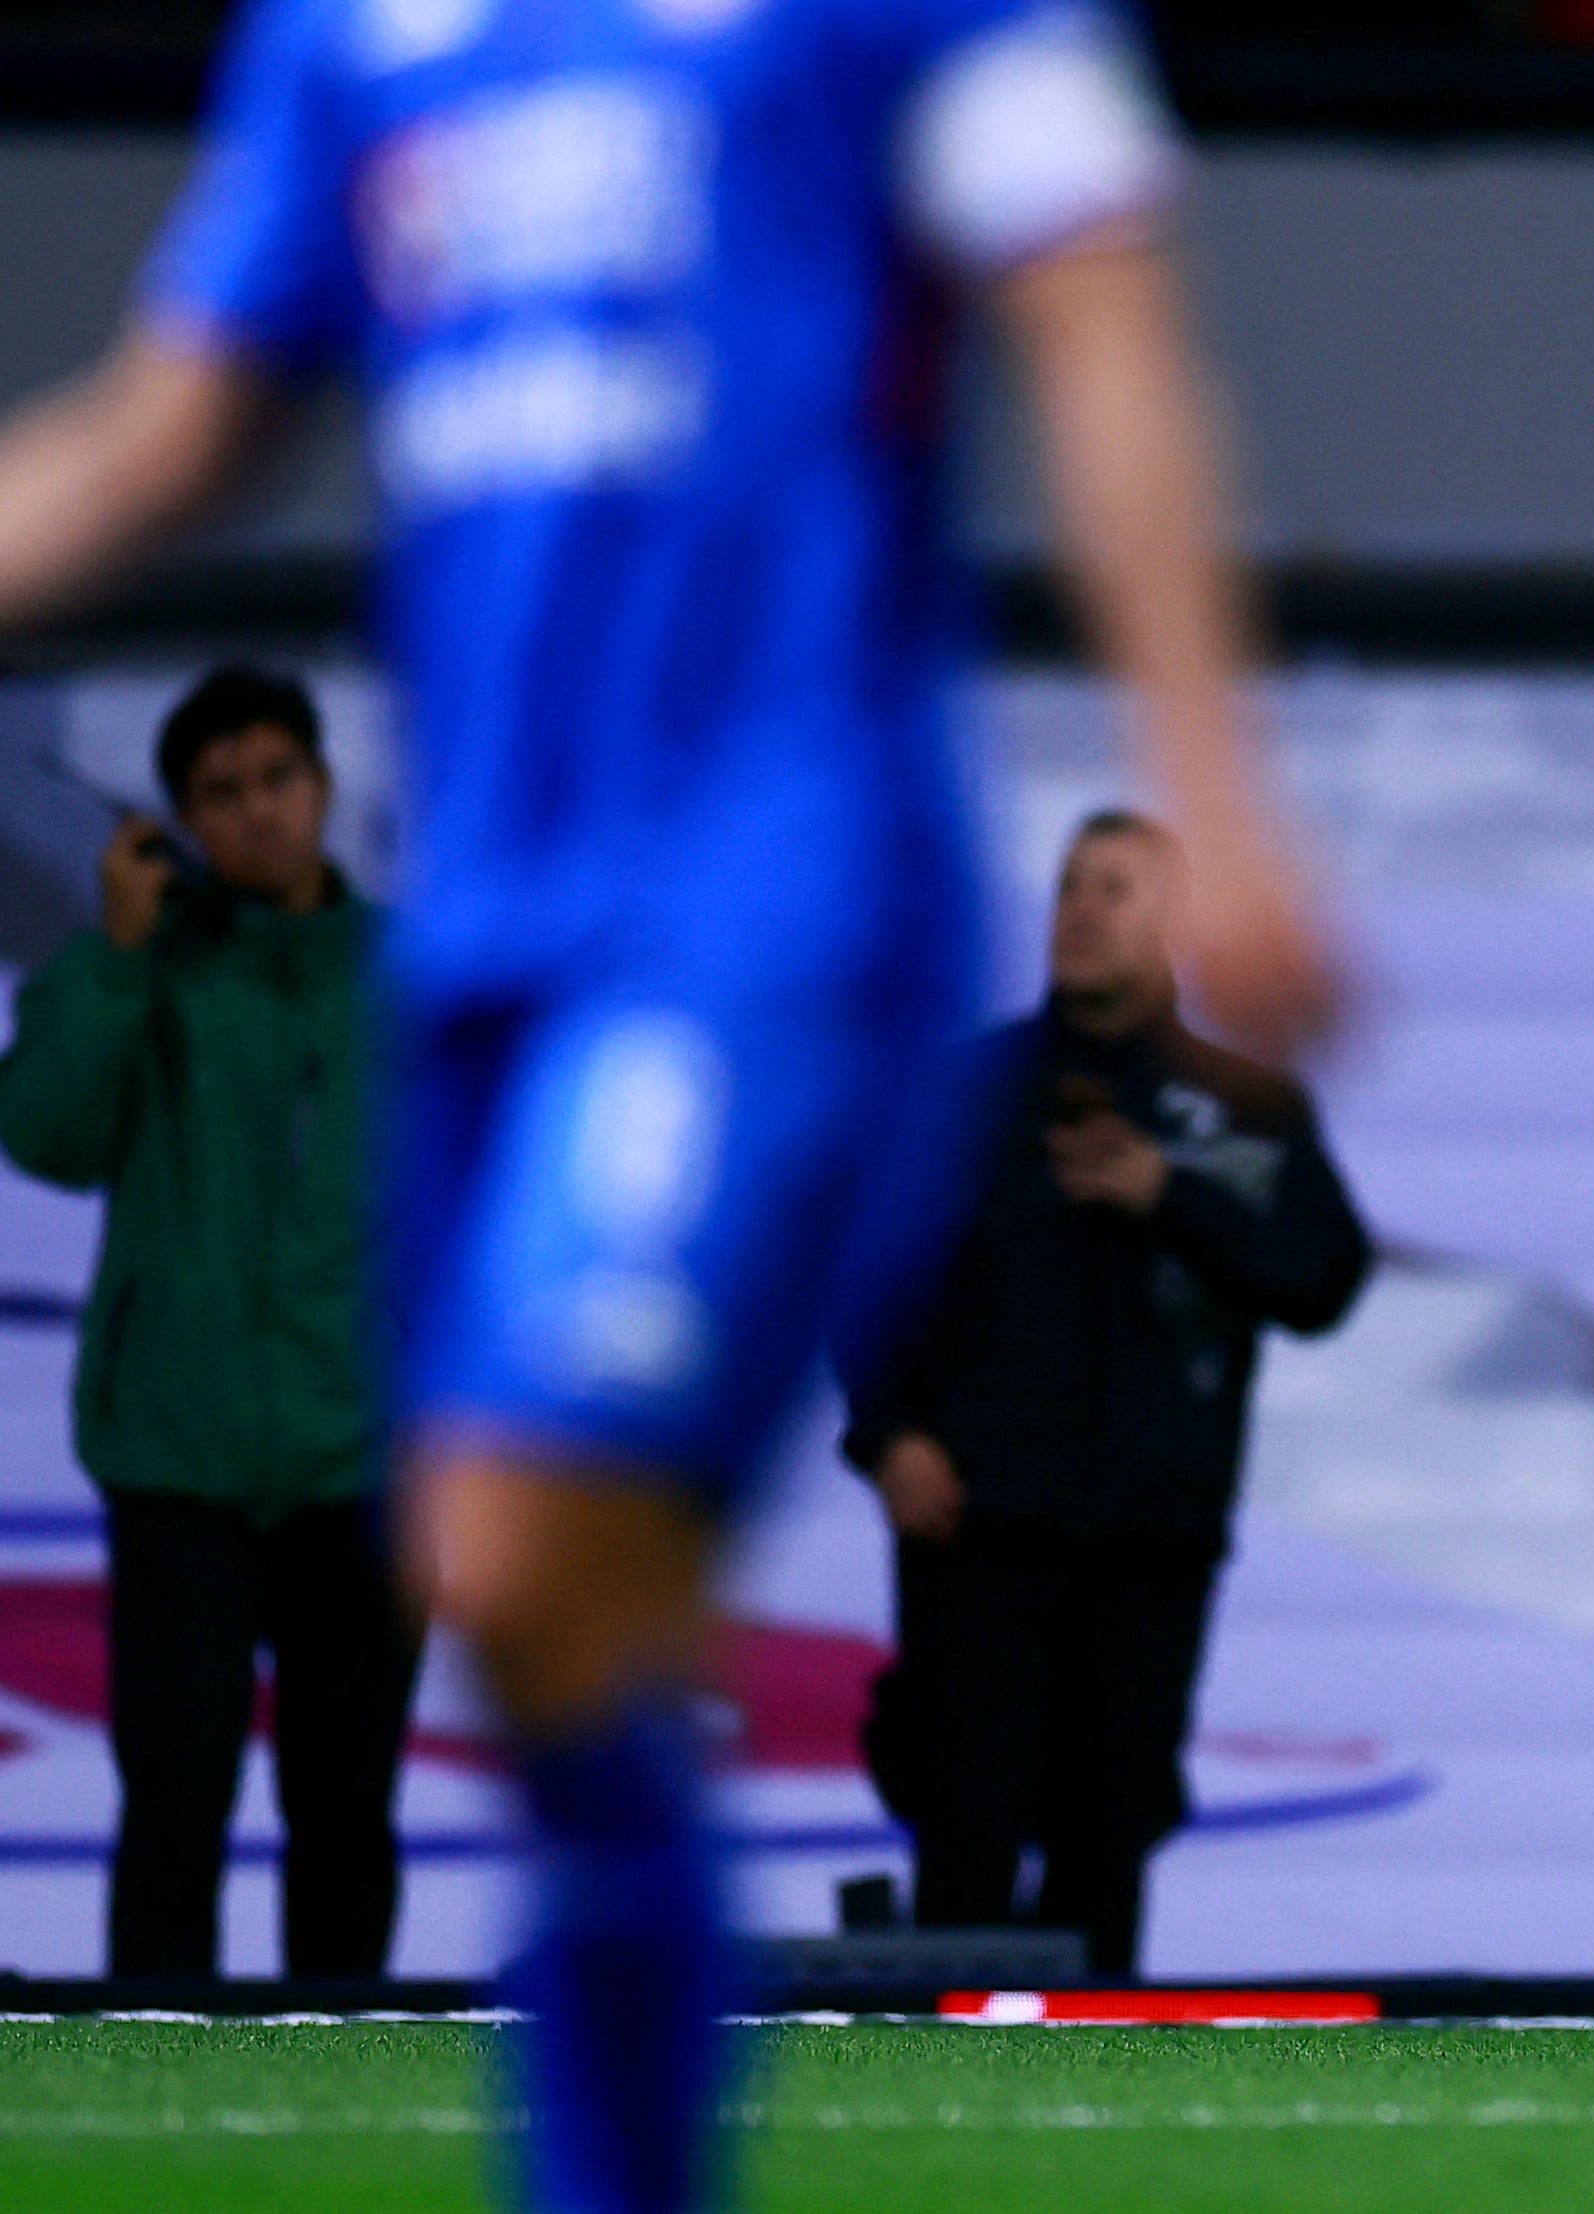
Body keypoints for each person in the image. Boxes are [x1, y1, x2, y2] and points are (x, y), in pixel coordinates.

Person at [0, 0, 1334, 2203]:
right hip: (490, 942)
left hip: (771, 907)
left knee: (523, 1548)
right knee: (534, 1623)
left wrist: (1222, 784)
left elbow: (1096, 311)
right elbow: (166, 427)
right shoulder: (355, 39)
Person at [847, 809, 1368, 1981]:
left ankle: (1093, 2101)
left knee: (1106, 1842)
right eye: (1070, 886)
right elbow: (856, 1276)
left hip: (1147, 1541)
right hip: (976, 1528)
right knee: (964, 1833)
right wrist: (887, 1439)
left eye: (1115, 890)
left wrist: (1169, 1194)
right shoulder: (962, 1093)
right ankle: (938, 2114)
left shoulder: (1240, 1105)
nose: (1081, 911)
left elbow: (1323, 1276)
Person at [0, 663, 413, 1982]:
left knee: (345, 1816)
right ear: (179, 819)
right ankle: (154, 2094)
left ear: (321, 787)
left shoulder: (407, 976)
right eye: (220, 794)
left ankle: (350, 2097)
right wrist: (118, 955)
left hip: (359, 1467)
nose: (255, 815)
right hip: (179, 1467)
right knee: (173, 1816)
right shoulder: (138, 965)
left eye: (275, 780)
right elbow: (46, 1136)